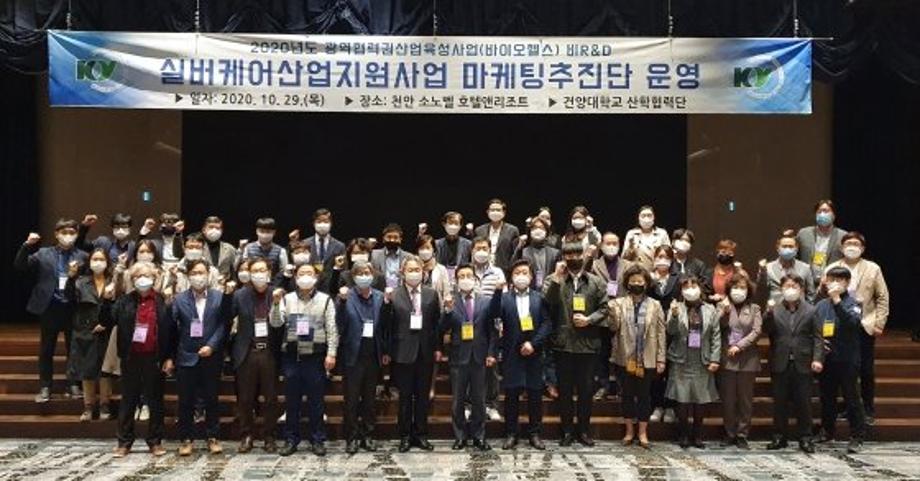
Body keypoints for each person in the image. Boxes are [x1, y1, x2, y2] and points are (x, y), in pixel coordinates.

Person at [15, 218, 88, 402]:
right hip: (50, 307)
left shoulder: (83, 256)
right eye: (64, 232)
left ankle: (73, 384)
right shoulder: (43, 253)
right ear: (56, 234)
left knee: (74, 349)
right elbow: (20, 266)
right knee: (47, 349)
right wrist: (26, 245)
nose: (68, 236)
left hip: (73, 308)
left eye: (72, 233)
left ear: (77, 235)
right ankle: (45, 387)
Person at [543, 242, 609, 447]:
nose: (573, 257)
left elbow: (605, 308)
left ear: (583, 255)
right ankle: (567, 432)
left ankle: (584, 431)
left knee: (586, 391)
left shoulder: (596, 282)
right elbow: (547, 303)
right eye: (568, 254)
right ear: (563, 257)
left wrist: (589, 319)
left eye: (577, 253)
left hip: (588, 345)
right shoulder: (553, 280)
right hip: (563, 345)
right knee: (564, 391)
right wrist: (557, 277)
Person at [108, 261, 174, 457]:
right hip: (131, 357)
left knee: (155, 401)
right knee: (128, 400)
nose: (142, 279)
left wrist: (169, 357)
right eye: (137, 276)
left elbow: (172, 331)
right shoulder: (124, 301)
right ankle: (124, 442)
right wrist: (106, 301)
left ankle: (155, 441)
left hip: (155, 357)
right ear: (132, 279)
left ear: (154, 278)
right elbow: (107, 320)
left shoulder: (163, 301)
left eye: (146, 275)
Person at [274, 263, 338, 457]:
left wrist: (332, 353)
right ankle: (291, 439)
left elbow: (331, 328)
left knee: (316, 401)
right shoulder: (287, 299)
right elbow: (275, 323)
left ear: (316, 278)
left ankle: (317, 439)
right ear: (295, 278)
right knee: (291, 401)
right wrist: (275, 304)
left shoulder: (325, 300)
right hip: (292, 357)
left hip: (315, 357)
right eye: (301, 273)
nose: (305, 277)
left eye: (309, 273)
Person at [825, 231, 889, 424]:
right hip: (840, 325)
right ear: (841, 247)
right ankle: (848, 407)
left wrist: (879, 323)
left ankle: (868, 409)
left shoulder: (873, 268)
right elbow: (824, 295)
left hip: (865, 323)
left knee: (866, 370)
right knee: (844, 368)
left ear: (863, 248)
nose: (852, 247)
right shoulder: (833, 267)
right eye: (848, 243)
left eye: (856, 244)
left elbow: (882, 297)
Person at [437, 264, 502, 451]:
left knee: (479, 399)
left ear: (475, 279)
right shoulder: (452, 301)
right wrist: (447, 311)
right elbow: (441, 328)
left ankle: (479, 436)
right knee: (458, 400)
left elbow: (492, 331)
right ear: (456, 281)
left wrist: (491, 353)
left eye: (469, 276)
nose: (466, 279)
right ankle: (460, 436)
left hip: (480, 357)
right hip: (458, 357)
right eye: (462, 276)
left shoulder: (485, 301)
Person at [172, 259, 230, 456]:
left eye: (202, 272)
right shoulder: (179, 299)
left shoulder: (219, 297)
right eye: (194, 273)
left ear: (208, 275)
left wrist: (212, 346)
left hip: (211, 357)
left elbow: (223, 325)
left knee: (211, 399)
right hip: (186, 356)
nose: (198, 276)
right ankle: (186, 439)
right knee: (185, 401)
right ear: (188, 276)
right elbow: (173, 328)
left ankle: (213, 437)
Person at [386, 255, 441, 452]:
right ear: (402, 273)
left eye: (417, 270)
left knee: (422, 397)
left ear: (423, 273)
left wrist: (438, 348)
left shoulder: (431, 294)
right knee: (405, 397)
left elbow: (436, 324)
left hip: (425, 352)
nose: (414, 273)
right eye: (410, 270)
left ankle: (421, 434)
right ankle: (405, 436)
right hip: (402, 352)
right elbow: (387, 326)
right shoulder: (394, 295)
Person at [607, 265, 666, 448]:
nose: (636, 284)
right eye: (633, 281)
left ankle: (642, 432)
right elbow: (612, 328)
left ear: (646, 284)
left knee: (644, 396)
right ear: (627, 283)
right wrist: (613, 314)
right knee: (626, 395)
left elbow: (661, 333)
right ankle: (629, 431)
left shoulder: (655, 305)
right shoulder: (618, 304)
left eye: (640, 281)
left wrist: (661, 358)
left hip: (647, 357)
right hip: (624, 357)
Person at [763, 274, 823, 454]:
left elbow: (818, 337)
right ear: (781, 289)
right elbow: (766, 330)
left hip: (803, 361)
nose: (790, 289)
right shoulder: (774, 309)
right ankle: (779, 437)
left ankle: (805, 438)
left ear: (801, 289)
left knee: (803, 402)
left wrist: (818, 358)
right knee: (779, 402)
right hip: (780, 361)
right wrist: (768, 314)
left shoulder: (811, 310)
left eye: (794, 286)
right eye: (787, 286)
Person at [336, 262, 391, 454]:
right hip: (353, 355)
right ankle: (351, 437)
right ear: (353, 277)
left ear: (373, 275)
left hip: (373, 354)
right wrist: (342, 303)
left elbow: (385, 327)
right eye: (359, 273)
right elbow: (339, 324)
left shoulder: (380, 297)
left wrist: (385, 351)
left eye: (367, 272)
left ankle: (368, 435)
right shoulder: (345, 296)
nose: (364, 276)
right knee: (351, 400)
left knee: (369, 400)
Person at [498, 259, 552, 450]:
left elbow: (547, 324)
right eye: (517, 273)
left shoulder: (539, 298)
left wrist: (533, 344)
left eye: (525, 273)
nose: (521, 276)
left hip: (534, 353)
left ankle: (534, 434)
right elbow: (495, 318)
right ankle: (511, 433)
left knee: (535, 395)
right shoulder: (504, 298)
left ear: (531, 277)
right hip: (511, 353)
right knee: (511, 396)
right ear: (511, 277)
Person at [231, 258, 282, 454]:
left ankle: (269, 436)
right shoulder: (239, 295)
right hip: (247, 351)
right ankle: (247, 435)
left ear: (269, 273)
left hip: (269, 351)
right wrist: (226, 295)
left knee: (270, 398)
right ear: (250, 274)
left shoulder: (277, 293)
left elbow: (281, 324)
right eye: (255, 271)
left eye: (262, 270)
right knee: (245, 398)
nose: (259, 274)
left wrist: (276, 303)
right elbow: (226, 317)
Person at [814, 266, 866, 453]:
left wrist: (837, 301)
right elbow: (815, 329)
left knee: (851, 398)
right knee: (827, 397)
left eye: (839, 280)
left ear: (847, 282)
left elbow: (852, 323)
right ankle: (827, 431)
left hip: (847, 359)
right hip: (827, 358)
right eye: (831, 280)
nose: (835, 283)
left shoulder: (854, 303)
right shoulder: (821, 305)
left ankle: (857, 436)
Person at [666, 275, 721, 449]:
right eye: (686, 286)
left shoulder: (710, 309)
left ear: (700, 288)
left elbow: (716, 335)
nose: (690, 289)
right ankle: (683, 434)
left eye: (693, 285)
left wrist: (715, 358)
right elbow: (670, 331)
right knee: (682, 399)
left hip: (702, 359)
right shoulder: (676, 307)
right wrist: (674, 316)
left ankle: (697, 435)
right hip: (681, 359)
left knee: (700, 399)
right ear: (681, 290)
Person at [66, 248, 116, 421]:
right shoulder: (80, 281)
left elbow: (118, 306)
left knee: (105, 371)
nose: (98, 262)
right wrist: (71, 277)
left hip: (107, 330)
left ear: (107, 262)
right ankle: (88, 406)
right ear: (89, 262)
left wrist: (106, 323)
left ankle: (104, 404)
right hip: (85, 330)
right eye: (95, 259)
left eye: (102, 259)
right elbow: (69, 298)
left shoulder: (113, 280)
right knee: (86, 370)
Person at [717, 273, 761, 450]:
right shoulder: (722, 305)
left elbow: (756, 332)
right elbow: (716, 327)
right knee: (728, 399)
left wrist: (739, 346)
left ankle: (742, 434)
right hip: (727, 359)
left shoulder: (755, 308)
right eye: (735, 287)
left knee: (745, 400)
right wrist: (724, 313)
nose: (738, 291)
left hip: (747, 359)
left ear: (748, 290)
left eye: (742, 288)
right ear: (729, 290)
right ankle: (729, 433)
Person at [470, 236, 506, 421]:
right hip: (471, 323)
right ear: (472, 251)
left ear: (490, 250)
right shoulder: (466, 271)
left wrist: (502, 324)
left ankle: (491, 405)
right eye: (478, 248)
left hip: (492, 324)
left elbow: (503, 299)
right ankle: (469, 404)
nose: (481, 251)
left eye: (485, 248)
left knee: (492, 367)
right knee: (470, 365)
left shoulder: (498, 272)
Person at [647, 246, 680, 423]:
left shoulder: (678, 278)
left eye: (666, 257)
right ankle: (657, 406)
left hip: (673, 329)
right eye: (659, 256)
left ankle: (670, 407)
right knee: (656, 371)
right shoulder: (648, 278)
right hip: (652, 329)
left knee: (672, 370)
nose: (662, 260)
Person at [796, 199, 847, 288]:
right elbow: (796, 257)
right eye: (819, 211)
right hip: (806, 284)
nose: (822, 214)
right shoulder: (803, 233)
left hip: (832, 283)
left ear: (834, 215)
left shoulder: (843, 236)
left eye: (826, 211)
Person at [757, 232, 816, 303]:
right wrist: (762, 271)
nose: (787, 249)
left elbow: (811, 293)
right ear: (777, 248)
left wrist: (808, 309)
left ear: (796, 249)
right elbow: (761, 289)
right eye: (784, 246)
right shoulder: (768, 267)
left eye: (791, 246)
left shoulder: (805, 268)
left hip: (799, 308)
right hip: (776, 308)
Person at [512, 217, 560, 290]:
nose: (538, 230)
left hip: (550, 292)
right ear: (530, 232)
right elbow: (512, 268)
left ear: (546, 232)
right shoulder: (522, 252)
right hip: (529, 291)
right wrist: (519, 247)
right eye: (534, 228)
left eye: (541, 228)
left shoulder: (555, 253)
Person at [474, 198, 520, 273]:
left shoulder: (512, 230)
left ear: (504, 212)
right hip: (482, 269)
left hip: (504, 271)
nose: (495, 212)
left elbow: (515, 254)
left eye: (498, 210)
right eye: (492, 210)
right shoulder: (479, 230)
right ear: (487, 212)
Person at [240, 217, 288, 284]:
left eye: (268, 232)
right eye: (262, 231)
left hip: (273, 285)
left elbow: (283, 271)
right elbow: (243, 268)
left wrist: (274, 285)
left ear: (274, 232)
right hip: (252, 284)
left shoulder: (281, 250)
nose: (265, 234)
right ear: (257, 231)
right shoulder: (248, 248)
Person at [623, 205, 670, 271]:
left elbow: (669, 254)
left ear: (654, 217)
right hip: (638, 272)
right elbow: (624, 258)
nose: (646, 218)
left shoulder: (662, 233)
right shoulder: (631, 234)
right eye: (643, 216)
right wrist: (630, 249)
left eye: (649, 215)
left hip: (657, 271)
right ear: (638, 218)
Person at [371, 223, 411, 289]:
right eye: (389, 237)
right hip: (380, 291)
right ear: (383, 239)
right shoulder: (374, 255)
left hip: (401, 292)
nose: (392, 240)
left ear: (400, 239)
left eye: (395, 237)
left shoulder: (408, 257)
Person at [434, 211, 472, 280]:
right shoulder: (436, 244)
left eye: (456, 223)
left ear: (460, 226)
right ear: (444, 224)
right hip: (441, 278)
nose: (453, 226)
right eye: (450, 223)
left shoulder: (468, 244)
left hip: (461, 278)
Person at [417, 234, 451, 303]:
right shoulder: (414, 268)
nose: (424, 251)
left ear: (434, 250)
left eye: (428, 248)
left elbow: (446, 293)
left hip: (436, 306)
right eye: (422, 248)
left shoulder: (441, 269)